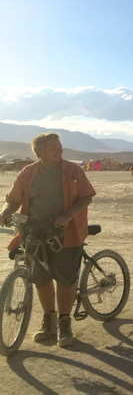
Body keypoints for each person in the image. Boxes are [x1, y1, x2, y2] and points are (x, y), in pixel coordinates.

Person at [0, 133, 96, 347]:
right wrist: (6, 211)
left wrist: (68, 215)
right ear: (40, 152)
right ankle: (48, 323)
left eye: (59, 146)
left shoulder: (73, 170)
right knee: (41, 279)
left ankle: (65, 325)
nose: (59, 150)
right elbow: (13, 200)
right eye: (54, 148)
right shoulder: (28, 173)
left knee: (65, 280)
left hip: (67, 234)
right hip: (35, 234)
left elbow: (86, 196)